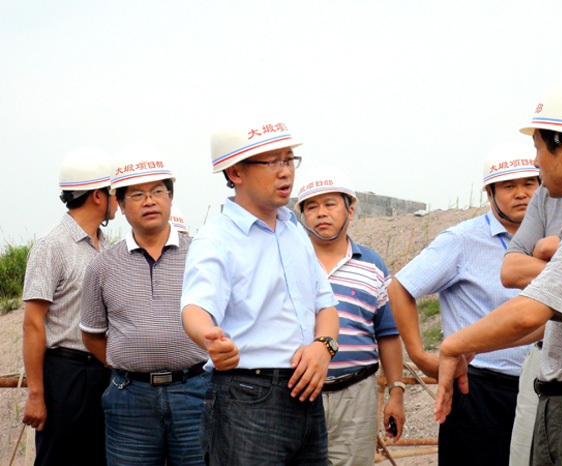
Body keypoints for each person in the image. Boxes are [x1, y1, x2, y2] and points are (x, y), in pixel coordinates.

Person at [435, 69, 562, 466]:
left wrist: (453, 344)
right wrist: (474, 344)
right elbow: (552, 322)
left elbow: (528, 311)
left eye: (538, 148)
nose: (535, 162)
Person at [181, 121, 340, 466]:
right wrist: (210, 340)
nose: (286, 172)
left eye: (289, 159)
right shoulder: (216, 239)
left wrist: (323, 347)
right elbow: (195, 308)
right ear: (235, 172)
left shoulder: (295, 232)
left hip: (307, 395)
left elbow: (325, 306)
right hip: (247, 399)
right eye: (273, 162)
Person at [394, 143, 540, 466]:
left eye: (529, 183)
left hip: (539, 389)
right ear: (490, 193)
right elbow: (400, 287)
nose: (521, 194)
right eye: (508, 186)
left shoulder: (552, 240)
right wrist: (419, 355)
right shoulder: (461, 241)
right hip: (478, 391)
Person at [80, 143, 209, 466]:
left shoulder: (202, 255)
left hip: (195, 393)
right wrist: (128, 364)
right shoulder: (102, 266)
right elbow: (92, 335)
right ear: (121, 206)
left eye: (157, 192)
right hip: (130, 400)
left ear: (170, 197)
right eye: (137, 195)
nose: (149, 201)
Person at [295, 167, 406, 465]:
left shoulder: (372, 265)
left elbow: (388, 334)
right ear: (302, 215)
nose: (321, 213)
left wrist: (396, 392)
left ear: (351, 211)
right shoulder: (288, 263)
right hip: (297, 393)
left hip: (357, 395)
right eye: (311, 207)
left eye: (330, 204)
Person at [22, 147, 116, 466]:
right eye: (114, 192)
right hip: (65, 374)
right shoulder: (51, 246)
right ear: (98, 196)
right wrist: (36, 394)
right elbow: (33, 323)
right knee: (59, 458)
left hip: (103, 373)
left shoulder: (107, 247)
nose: (119, 199)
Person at [500, 185, 562, 466]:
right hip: (542, 356)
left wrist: (549, 250)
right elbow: (511, 271)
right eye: (509, 186)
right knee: (524, 453)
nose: (521, 193)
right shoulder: (545, 196)